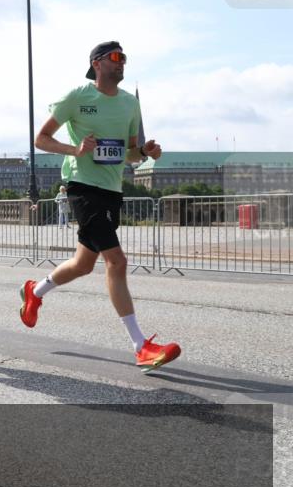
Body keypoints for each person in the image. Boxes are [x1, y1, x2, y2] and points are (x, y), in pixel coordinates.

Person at [19, 41, 180, 373]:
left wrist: (147, 151)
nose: (122, 64)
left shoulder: (129, 104)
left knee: (82, 265)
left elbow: (131, 153)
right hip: (82, 187)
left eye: (125, 59)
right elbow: (41, 139)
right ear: (97, 63)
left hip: (110, 189)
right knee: (116, 262)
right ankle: (141, 347)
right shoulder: (77, 96)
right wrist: (75, 149)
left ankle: (35, 290)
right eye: (117, 58)